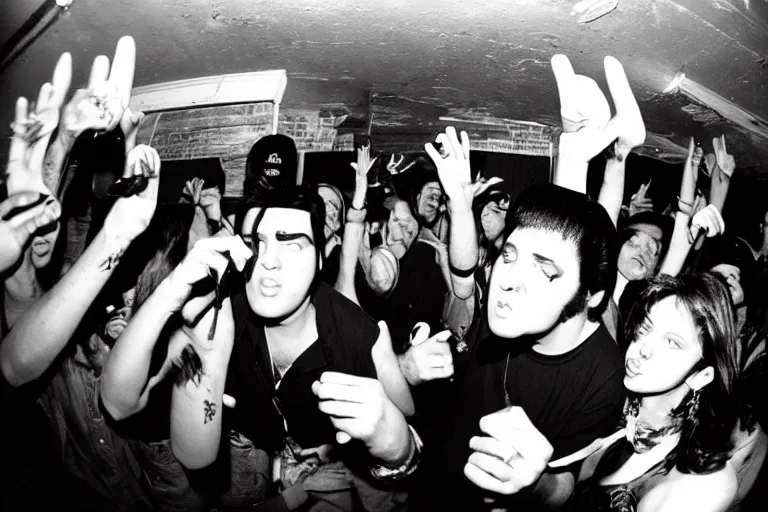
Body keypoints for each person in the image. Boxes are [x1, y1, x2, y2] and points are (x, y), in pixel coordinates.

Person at [400, 125, 624, 510]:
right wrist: (457, 203)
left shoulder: (603, 372)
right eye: (510, 255)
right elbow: (464, 277)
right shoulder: (504, 309)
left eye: (545, 271)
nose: (510, 280)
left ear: (591, 295)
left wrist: (531, 483)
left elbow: (566, 483)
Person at [170, 185, 417, 511]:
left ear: (319, 257)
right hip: (250, 467)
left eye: (293, 244)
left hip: (326, 480)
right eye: (257, 243)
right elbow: (132, 408)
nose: (269, 260)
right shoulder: (225, 314)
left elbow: (404, 423)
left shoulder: (360, 336)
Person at [569, 273, 740, 512]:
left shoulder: (702, 481)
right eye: (646, 328)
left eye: (672, 342)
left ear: (702, 375)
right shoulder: (606, 403)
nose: (644, 348)